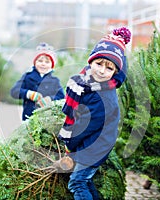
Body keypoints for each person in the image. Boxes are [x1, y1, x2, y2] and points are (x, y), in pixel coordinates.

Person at [58, 27, 131, 199]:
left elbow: (84, 127)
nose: (101, 71)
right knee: (86, 181)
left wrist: (69, 144)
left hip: (95, 147)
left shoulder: (102, 99)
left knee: (77, 182)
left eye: (109, 68)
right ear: (90, 62)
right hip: (94, 143)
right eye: (98, 64)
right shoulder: (87, 83)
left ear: (115, 73)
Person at [10, 42, 65, 121]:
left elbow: (61, 97)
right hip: (28, 117)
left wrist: (49, 99)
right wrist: (28, 94)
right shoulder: (27, 77)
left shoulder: (55, 81)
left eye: (47, 62)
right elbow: (14, 91)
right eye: (40, 61)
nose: (43, 64)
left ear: (52, 65)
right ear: (35, 62)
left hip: (47, 119)